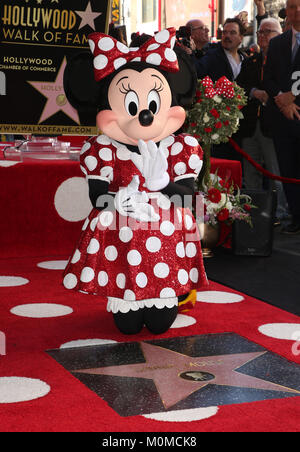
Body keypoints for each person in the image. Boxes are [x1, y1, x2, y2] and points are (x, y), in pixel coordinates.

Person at [62, 28, 208, 335]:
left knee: (158, 325)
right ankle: (125, 294)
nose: (143, 115)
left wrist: (163, 184)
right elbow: (96, 197)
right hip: (120, 245)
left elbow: (188, 199)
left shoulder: (181, 149)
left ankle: (164, 295)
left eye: (152, 105)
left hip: (166, 248)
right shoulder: (102, 150)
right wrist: (116, 200)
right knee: (127, 326)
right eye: (131, 105)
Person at [237, 18, 289, 221]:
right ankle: (254, 214)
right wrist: (253, 92)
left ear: (280, 35)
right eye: (260, 32)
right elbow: (239, 85)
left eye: (268, 32)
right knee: (251, 174)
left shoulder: (285, 61)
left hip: (274, 126)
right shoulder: (251, 61)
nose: (262, 35)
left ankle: (281, 213)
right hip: (251, 126)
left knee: (277, 173)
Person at [263, 0, 300, 234]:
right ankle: (296, 216)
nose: (297, 11)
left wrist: (293, 99)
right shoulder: (277, 43)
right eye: (293, 6)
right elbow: (268, 78)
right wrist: (281, 98)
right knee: (287, 170)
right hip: (282, 121)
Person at [194, 18, 248, 82]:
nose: (227, 36)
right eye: (224, 32)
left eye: (232, 33)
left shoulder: (245, 60)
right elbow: (195, 72)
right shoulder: (211, 57)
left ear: (241, 38)